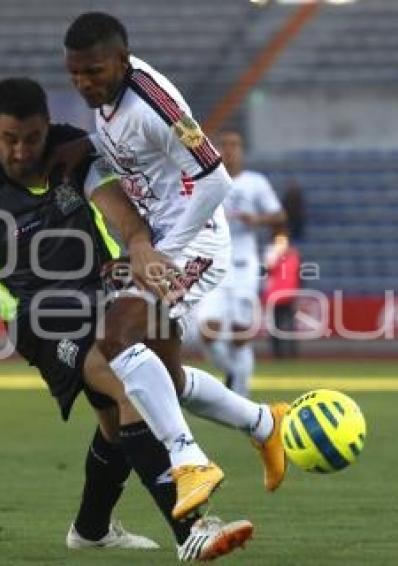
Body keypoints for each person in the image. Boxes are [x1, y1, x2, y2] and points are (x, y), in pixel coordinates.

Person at [0, 78, 253, 561]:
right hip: (39, 321)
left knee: (119, 424)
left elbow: (115, 207)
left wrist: (140, 244)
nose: (21, 151)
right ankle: (191, 530)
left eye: (32, 138)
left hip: (102, 297)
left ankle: (91, 530)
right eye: (8, 139)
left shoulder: (69, 149)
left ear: (46, 128)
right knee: (129, 384)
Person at [58, 11, 290, 522]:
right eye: (74, 73)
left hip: (197, 239)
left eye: (93, 71)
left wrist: (160, 252)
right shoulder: (108, 104)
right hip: (164, 241)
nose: (83, 82)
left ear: (120, 60)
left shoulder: (151, 104)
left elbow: (216, 182)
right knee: (163, 375)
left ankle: (189, 459)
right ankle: (264, 424)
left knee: (115, 339)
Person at [196, 130, 285, 396]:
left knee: (240, 334)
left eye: (234, 145)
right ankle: (233, 372)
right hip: (212, 264)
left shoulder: (255, 183)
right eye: (224, 145)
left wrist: (256, 220)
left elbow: (280, 215)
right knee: (208, 332)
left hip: (244, 264)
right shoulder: (206, 180)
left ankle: (240, 394)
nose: (229, 150)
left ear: (242, 149)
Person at [263, 235, 301, 359]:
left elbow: (298, 276)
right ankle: (278, 353)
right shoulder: (273, 256)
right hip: (275, 296)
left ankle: (291, 352)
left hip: (287, 296)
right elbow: (268, 269)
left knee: (289, 326)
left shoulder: (293, 256)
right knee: (276, 326)